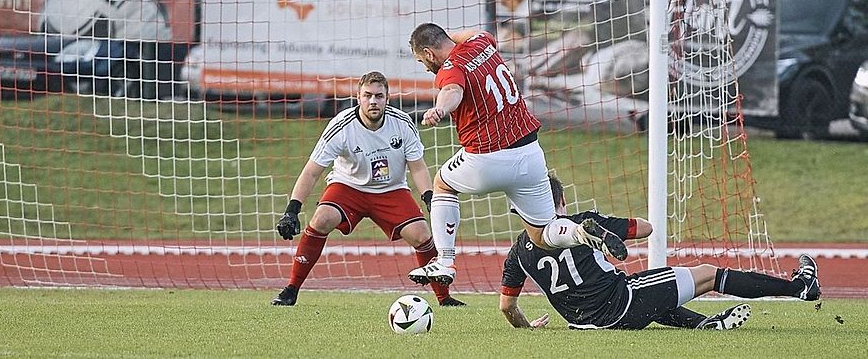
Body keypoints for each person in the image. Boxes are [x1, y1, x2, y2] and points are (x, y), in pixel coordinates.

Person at [406, 23, 627, 287]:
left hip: (487, 158)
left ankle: (444, 261)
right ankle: (580, 232)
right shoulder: (481, 44)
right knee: (543, 234)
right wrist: (444, 36)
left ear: (429, 53)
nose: (425, 66)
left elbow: (453, 91)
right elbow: (470, 34)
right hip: (530, 155)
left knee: (442, 184)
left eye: (422, 61)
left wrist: (440, 110)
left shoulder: (449, 68)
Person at [499, 170, 822, 330]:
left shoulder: (517, 254)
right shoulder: (582, 219)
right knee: (706, 274)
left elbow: (507, 307)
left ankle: (701, 325)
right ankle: (800, 288)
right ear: (560, 202)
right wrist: (608, 225)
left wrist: (527, 328)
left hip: (583, 322)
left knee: (654, 287)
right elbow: (645, 228)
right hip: (619, 305)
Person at [272, 71, 465, 307]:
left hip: (391, 190)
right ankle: (291, 289)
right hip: (348, 187)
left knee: (422, 235)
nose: (373, 101)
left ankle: (444, 299)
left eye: (379, 96)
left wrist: (429, 199)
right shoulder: (341, 126)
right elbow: (312, 170)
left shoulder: (403, 124)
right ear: (358, 97)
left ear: (387, 97)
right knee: (322, 219)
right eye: (368, 96)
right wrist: (292, 209)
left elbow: (417, 168)